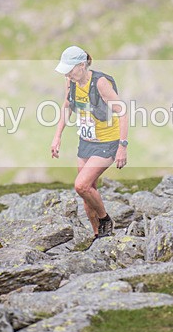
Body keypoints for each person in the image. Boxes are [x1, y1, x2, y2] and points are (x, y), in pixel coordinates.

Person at [50, 46, 128, 240]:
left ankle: (105, 219)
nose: (67, 73)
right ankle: (99, 238)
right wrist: (57, 136)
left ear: (82, 65)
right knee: (87, 194)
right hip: (86, 141)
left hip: (107, 141)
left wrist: (122, 147)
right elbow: (67, 106)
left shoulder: (100, 83)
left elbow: (123, 112)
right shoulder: (71, 81)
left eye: (70, 69)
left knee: (81, 185)